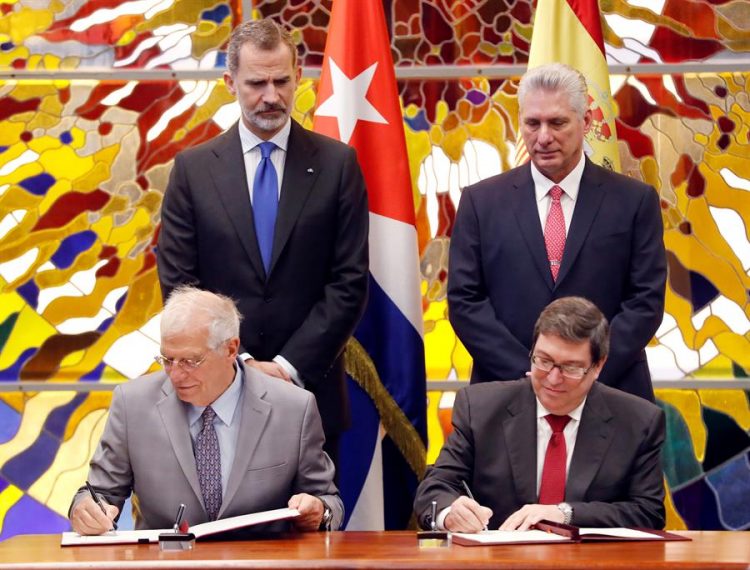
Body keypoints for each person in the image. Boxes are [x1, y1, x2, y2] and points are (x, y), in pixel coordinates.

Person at [156, 19, 369, 467]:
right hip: (215, 394)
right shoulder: (193, 171)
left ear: (300, 78)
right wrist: (239, 365)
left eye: (281, 81)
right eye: (256, 83)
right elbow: (180, 286)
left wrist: (286, 368)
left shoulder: (337, 165)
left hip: (310, 396)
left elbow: (348, 282)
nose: (271, 96)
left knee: (313, 529)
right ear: (229, 81)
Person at [448, 63, 666, 401]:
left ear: (587, 122)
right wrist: (535, 376)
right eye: (533, 123)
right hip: (506, 397)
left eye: (558, 122)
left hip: (610, 395)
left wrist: (584, 372)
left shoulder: (634, 202)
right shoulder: (480, 202)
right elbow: (465, 302)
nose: (544, 137)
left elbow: (645, 302)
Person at [69, 287, 342, 535]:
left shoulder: (293, 407)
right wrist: (85, 510)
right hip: (166, 566)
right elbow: (98, 493)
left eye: (190, 361)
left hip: (260, 564)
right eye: (167, 359)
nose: (175, 375)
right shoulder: (132, 404)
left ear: (231, 349)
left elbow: (327, 500)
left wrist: (318, 510)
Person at [415, 296, 665, 532]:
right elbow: (435, 488)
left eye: (570, 367)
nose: (553, 379)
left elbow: (648, 512)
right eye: (543, 361)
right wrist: (449, 513)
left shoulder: (638, 421)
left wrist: (565, 514)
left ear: (598, 366)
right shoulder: (480, 408)